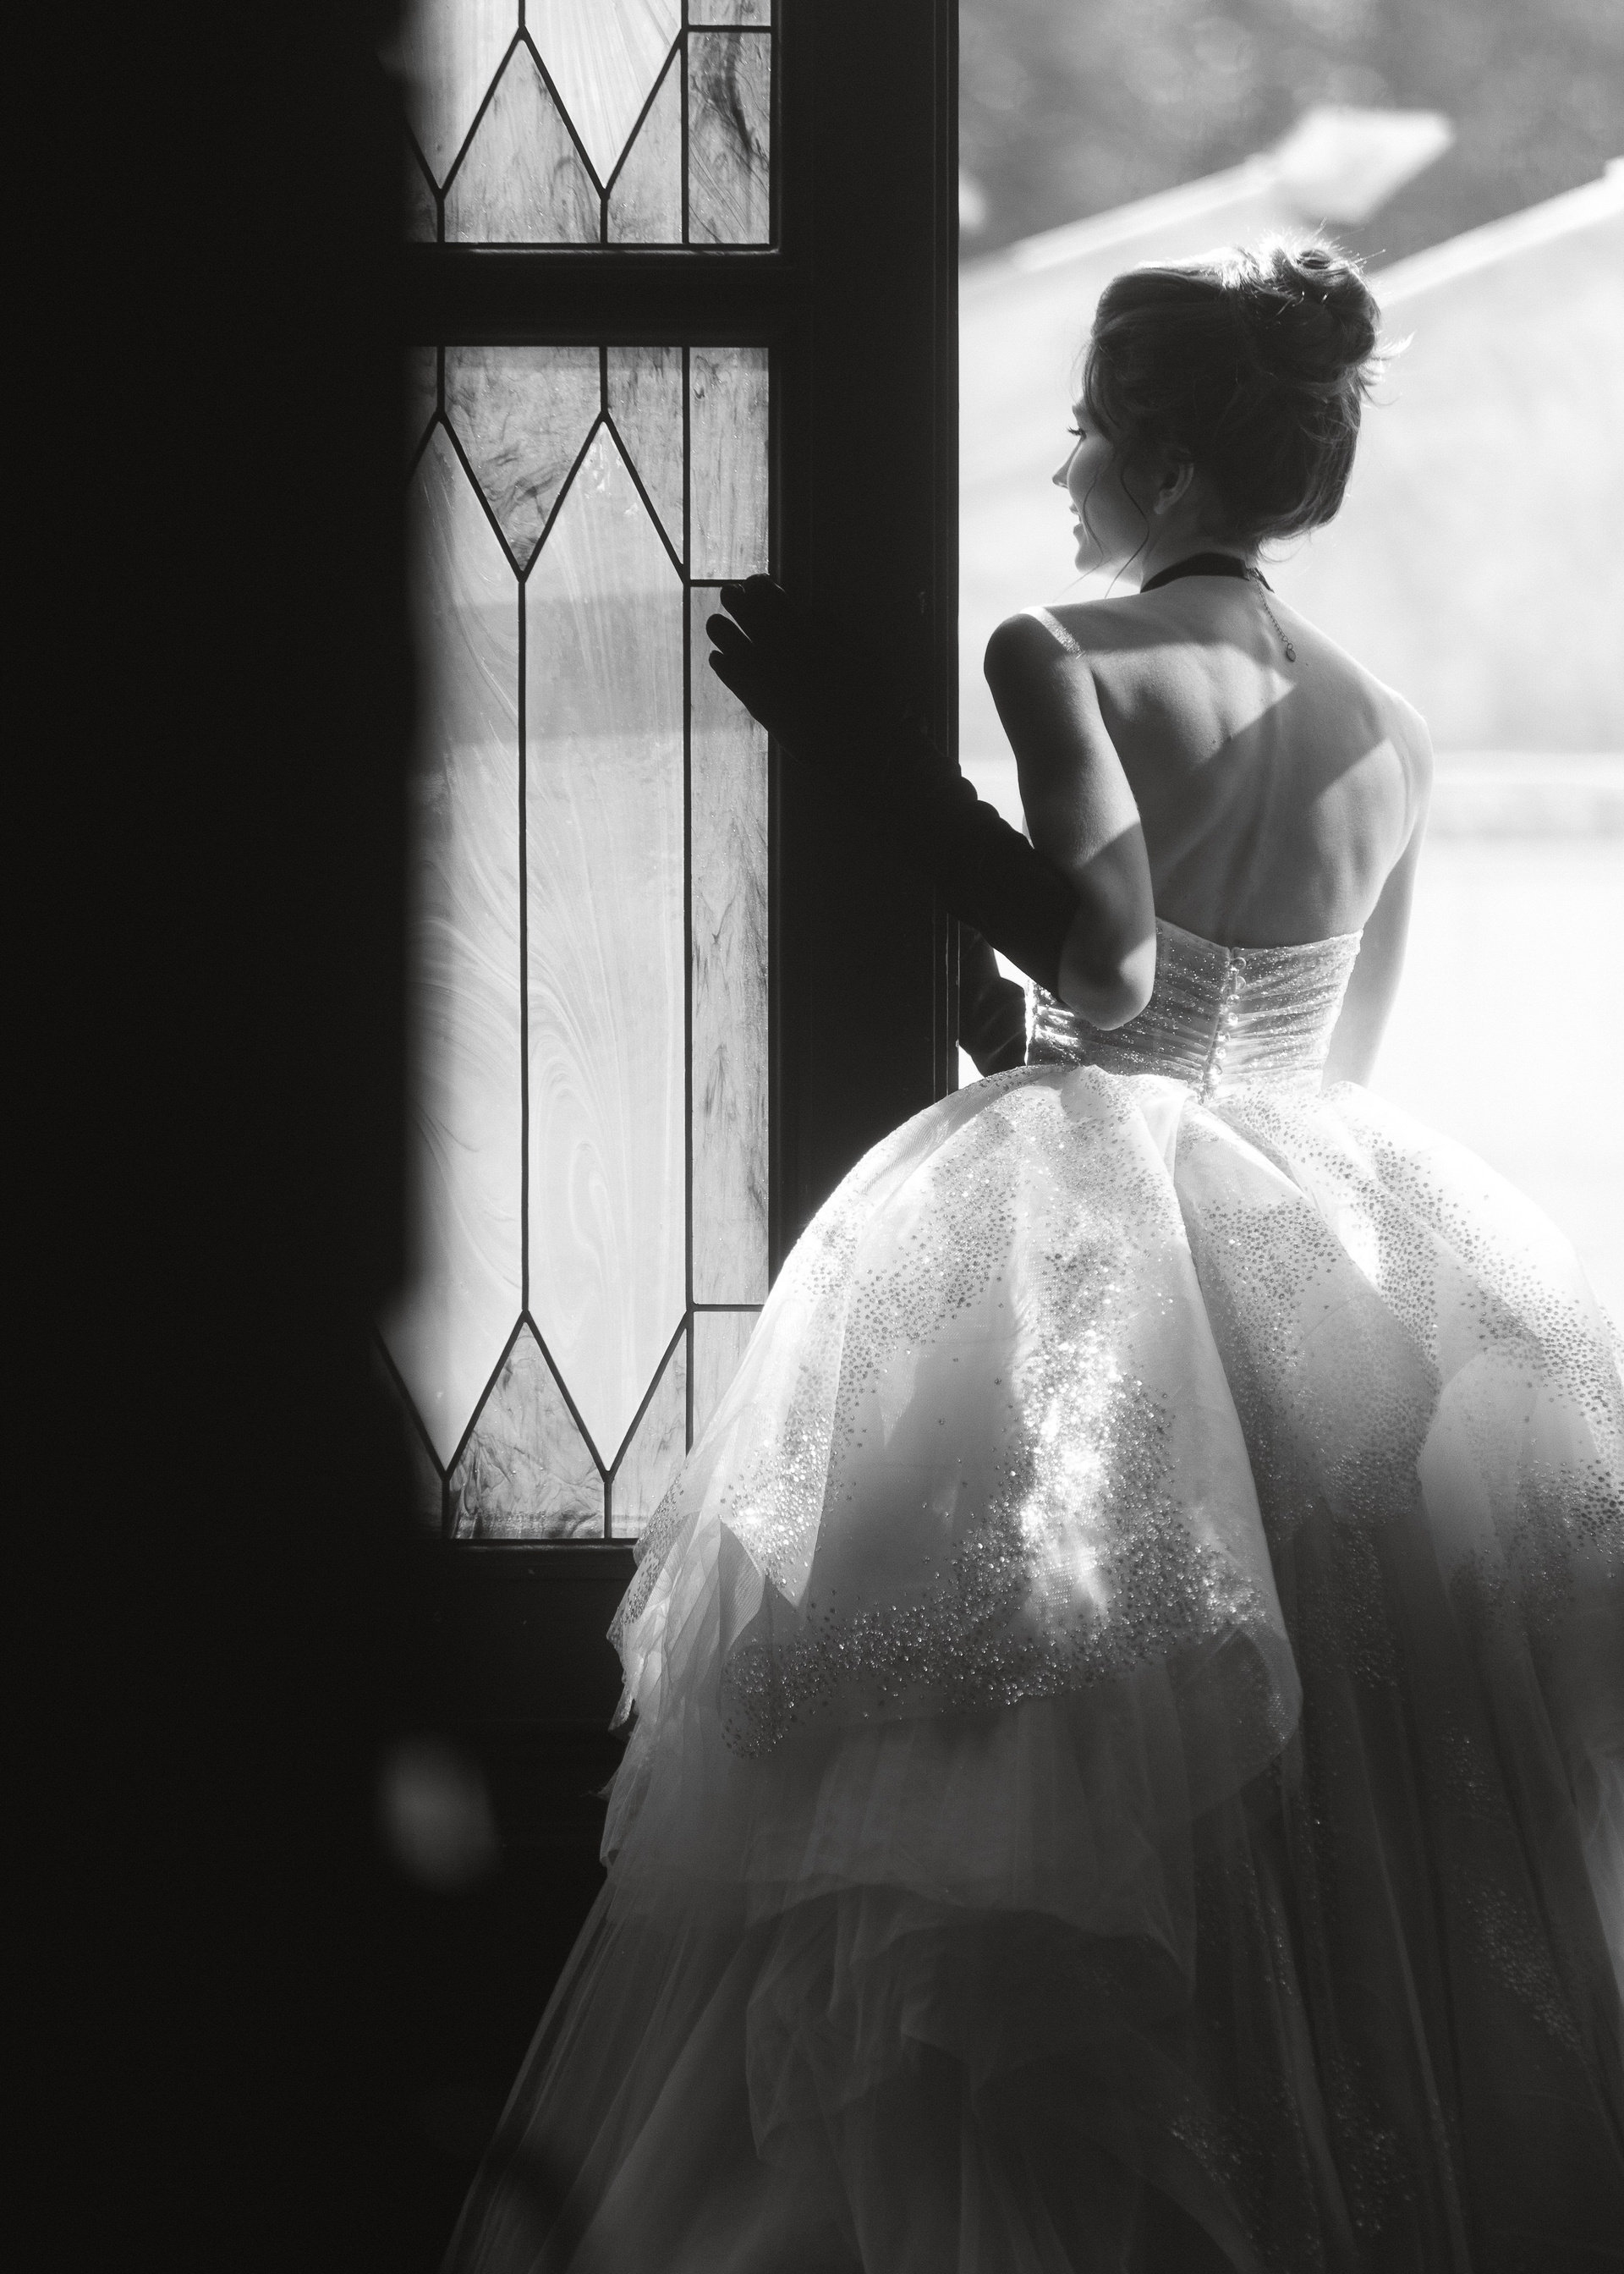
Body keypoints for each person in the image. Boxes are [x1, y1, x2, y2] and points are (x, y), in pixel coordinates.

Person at [445, 241, 1623, 2273]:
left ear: (1158, 457)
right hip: (1317, 1238)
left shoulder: (1055, 648)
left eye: (1085, 426)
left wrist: (879, 769)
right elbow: (1327, 1056)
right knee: (1326, 1791)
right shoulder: (1394, 727)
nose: (1065, 467)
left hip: (1109, 1237)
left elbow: (1114, 968)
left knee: (1060, 1747)